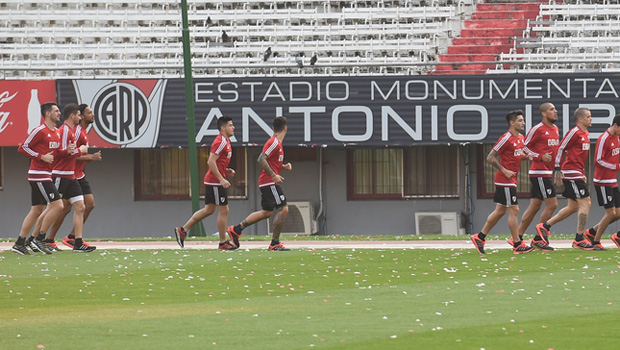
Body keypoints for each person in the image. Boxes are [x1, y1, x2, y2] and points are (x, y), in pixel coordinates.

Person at [32, 103, 94, 252]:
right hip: (60, 175)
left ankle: (77, 242)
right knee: (53, 208)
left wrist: (78, 152)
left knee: (81, 207)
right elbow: (62, 154)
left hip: (70, 176)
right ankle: (36, 239)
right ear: (72, 116)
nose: (80, 117)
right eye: (79, 115)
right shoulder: (65, 131)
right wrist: (81, 151)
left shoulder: (71, 131)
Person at [470, 110, 535, 255]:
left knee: (500, 211)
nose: (523, 123)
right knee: (514, 210)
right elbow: (490, 157)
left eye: (523, 120)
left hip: (511, 179)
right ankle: (517, 244)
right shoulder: (506, 138)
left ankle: (479, 237)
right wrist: (504, 170)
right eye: (520, 120)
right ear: (512, 123)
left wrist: (527, 156)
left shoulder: (521, 138)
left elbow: (516, 156)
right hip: (505, 180)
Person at [12, 102, 71, 255]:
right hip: (38, 175)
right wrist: (40, 156)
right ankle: (39, 239)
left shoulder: (57, 132)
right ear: (47, 114)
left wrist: (69, 152)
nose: (59, 113)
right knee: (58, 205)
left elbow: (56, 154)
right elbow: (23, 147)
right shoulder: (40, 131)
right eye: (56, 111)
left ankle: (20, 243)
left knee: (37, 209)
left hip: (45, 175)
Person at [226, 116, 293, 251]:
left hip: (266, 182)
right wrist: (274, 175)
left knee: (266, 212)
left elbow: (270, 162)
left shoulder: (277, 144)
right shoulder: (274, 142)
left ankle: (236, 229)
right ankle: (275, 243)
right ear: (285, 128)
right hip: (269, 182)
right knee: (284, 209)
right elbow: (261, 159)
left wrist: (283, 167)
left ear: (274, 128)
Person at [535, 108, 595, 250]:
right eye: (588, 116)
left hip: (577, 172)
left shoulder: (586, 133)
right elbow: (561, 147)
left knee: (573, 206)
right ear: (580, 119)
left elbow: (580, 156)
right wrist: (557, 168)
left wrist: (583, 171)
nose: (590, 119)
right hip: (571, 172)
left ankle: (544, 227)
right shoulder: (574, 132)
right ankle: (579, 239)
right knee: (586, 203)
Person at [174, 116, 237, 250]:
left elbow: (217, 162)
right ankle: (222, 242)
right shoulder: (220, 142)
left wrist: (226, 171)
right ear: (223, 128)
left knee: (209, 210)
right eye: (230, 125)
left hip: (214, 181)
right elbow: (210, 161)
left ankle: (183, 230)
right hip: (215, 182)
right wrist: (221, 179)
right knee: (224, 210)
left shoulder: (226, 142)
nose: (233, 127)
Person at [517, 102, 560, 251]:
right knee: (553, 204)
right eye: (551, 109)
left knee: (535, 206)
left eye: (555, 109)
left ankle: (517, 237)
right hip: (539, 172)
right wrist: (540, 156)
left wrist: (557, 170)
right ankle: (539, 238)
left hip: (547, 172)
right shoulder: (538, 129)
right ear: (543, 113)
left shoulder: (555, 129)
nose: (555, 111)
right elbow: (524, 147)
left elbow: (554, 153)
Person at [580, 114, 620, 250]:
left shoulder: (617, 138)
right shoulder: (604, 138)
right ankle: (596, 242)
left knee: (618, 213)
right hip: (602, 181)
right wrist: (616, 166)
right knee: (611, 213)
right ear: (615, 126)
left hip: (612, 180)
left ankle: (592, 232)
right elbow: (598, 160)